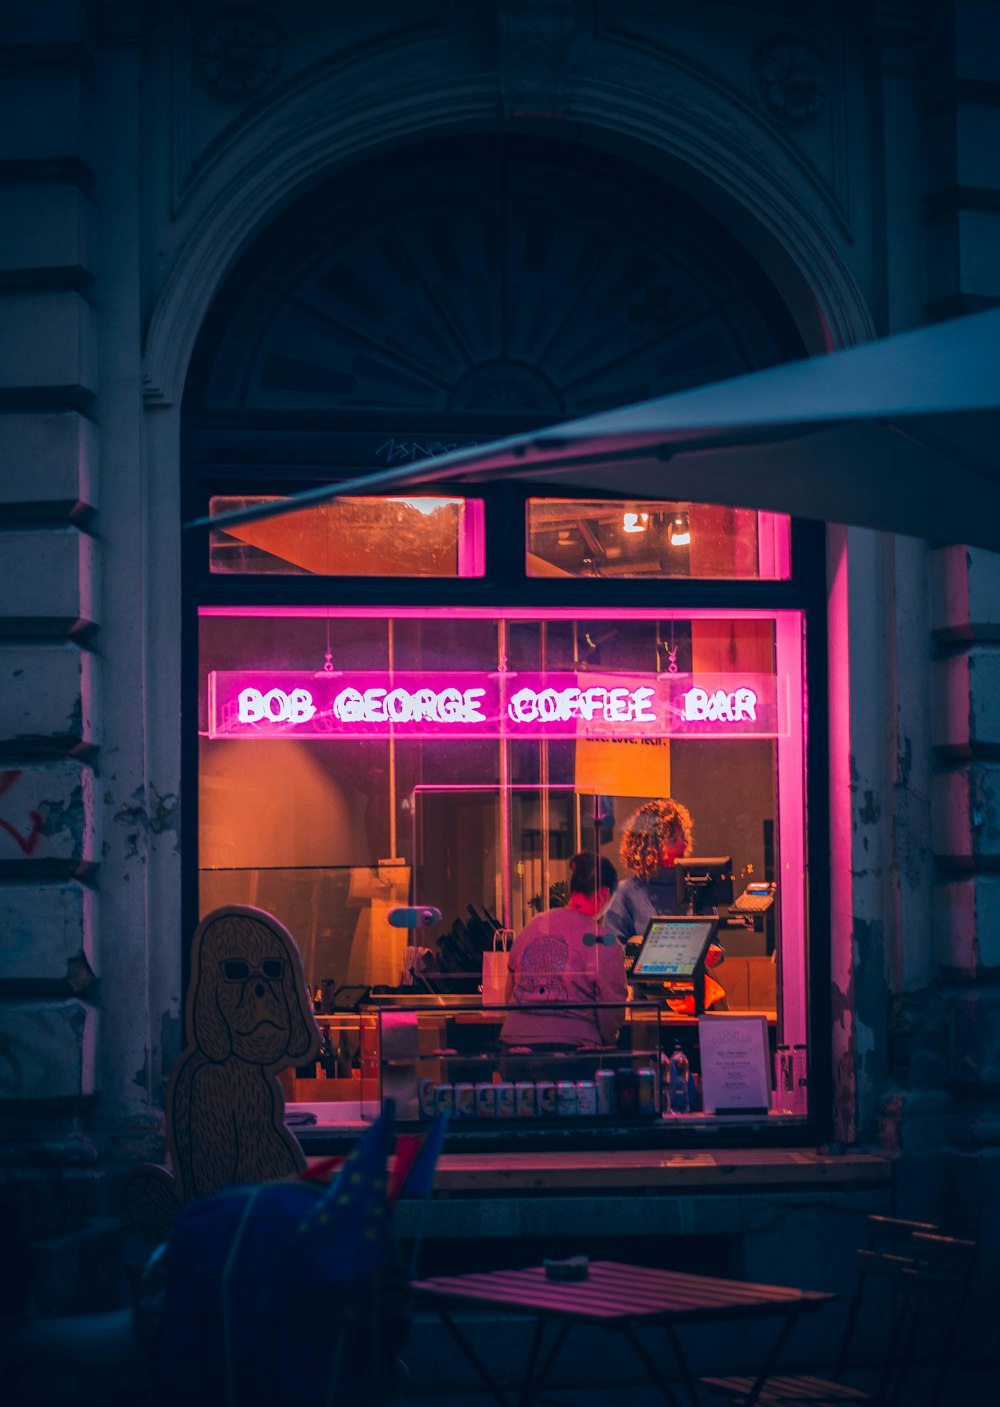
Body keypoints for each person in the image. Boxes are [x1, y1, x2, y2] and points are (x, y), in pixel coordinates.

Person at [604, 797, 726, 1013]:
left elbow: (715, 943)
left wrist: (714, 952)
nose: (684, 844)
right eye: (673, 838)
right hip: (648, 1006)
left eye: (683, 836)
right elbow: (612, 953)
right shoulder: (625, 893)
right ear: (650, 845)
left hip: (697, 1002)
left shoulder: (698, 888)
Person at [500, 851, 627, 1056]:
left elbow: (509, 993)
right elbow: (610, 1014)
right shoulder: (604, 942)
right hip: (572, 1050)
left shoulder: (534, 926)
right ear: (604, 894)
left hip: (514, 1046)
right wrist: (608, 1039)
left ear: (571, 888)